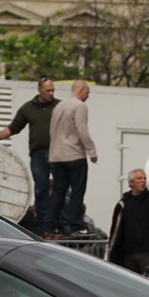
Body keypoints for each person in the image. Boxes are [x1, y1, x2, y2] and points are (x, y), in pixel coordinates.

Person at [0, 77, 59, 232]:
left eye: (53, 90)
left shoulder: (59, 106)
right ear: (39, 89)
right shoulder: (28, 108)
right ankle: (43, 224)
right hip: (38, 154)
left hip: (58, 153)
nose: (51, 93)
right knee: (41, 188)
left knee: (60, 188)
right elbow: (13, 128)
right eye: (48, 90)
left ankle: (57, 222)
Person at [46, 81, 98, 237]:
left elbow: (52, 130)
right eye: (87, 93)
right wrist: (91, 151)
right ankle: (75, 224)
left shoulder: (58, 106)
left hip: (56, 155)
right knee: (77, 190)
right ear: (81, 90)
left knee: (58, 191)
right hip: (74, 154)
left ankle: (51, 224)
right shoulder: (79, 106)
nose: (88, 96)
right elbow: (82, 130)